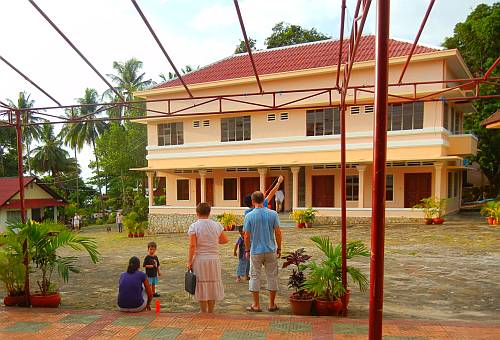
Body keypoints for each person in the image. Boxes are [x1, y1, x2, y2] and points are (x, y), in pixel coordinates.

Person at [243, 191, 282, 313]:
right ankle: (271, 304)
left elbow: (246, 236)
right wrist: (279, 248)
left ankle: (256, 304)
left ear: (253, 201)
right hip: (270, 249)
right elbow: (278, 232)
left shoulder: (249, 216)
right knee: (272, 276)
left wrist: (247, 249)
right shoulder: (273, 214)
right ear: (263, 200)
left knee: (254, 276)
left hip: (256, 250)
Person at [187, 202, 229, 313]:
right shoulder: (216, 225)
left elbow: (192, 246)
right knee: (212, 284)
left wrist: (189, 261)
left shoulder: (194, 226)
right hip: (213, 259)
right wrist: (214, 240)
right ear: (209, 212)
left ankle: (203, 311)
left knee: (202, 284)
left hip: (200, 259)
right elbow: (225, 240)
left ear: (197, 213)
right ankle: (211, 310)